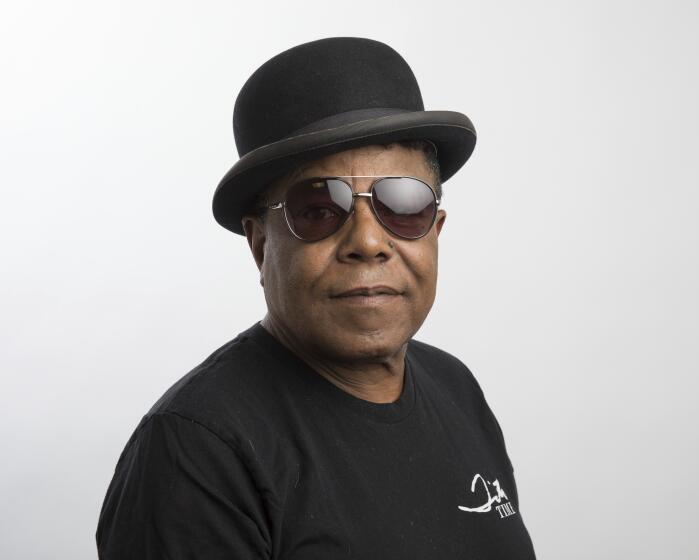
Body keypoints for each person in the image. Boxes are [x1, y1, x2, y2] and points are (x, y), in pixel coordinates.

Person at [96, 36, 537, 559]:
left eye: (404, 203)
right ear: (260, 246)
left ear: (435, 229)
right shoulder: (196, 452)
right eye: (320, 208)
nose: (369, 242)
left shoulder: (455, 388)